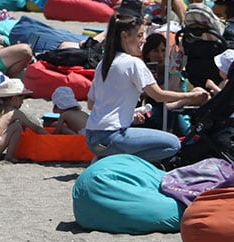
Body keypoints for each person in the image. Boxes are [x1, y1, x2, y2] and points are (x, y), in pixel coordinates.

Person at [84, 12, 209, 163]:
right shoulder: (133, 63)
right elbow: (158, 95)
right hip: (111, 137)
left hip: (92, 137)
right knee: (173, 144)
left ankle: (107, 157)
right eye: (140, 35)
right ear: (125, 36)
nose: (143, 40)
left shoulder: (103, 64)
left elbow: (91, 104)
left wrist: (128, 114)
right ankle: (115, 160)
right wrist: (190, 96)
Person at [0, 78, 44, 161]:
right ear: (14, 98)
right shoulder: (15, 112)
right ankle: (9, 157)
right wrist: (50, 136)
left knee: (14, 125)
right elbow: (35, 127)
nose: (22, 102)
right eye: (21, 99)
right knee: (17, 126)